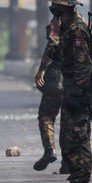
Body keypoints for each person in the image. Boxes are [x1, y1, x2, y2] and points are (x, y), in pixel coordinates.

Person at [44, 0, 92, 183]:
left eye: (54, 2)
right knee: (68, 140)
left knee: (77, 141)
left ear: (62, 4)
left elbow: (84, 64)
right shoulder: (65, 26)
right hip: (72, 91)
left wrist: (77, 94)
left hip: (78, 93)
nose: (51, 6)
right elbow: (64, 57)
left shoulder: (76, 29)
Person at [33, 17, 63, 172]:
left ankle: (50, 149)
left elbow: (52, 45)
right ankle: (71, 162)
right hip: (79, 81)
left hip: (58, 80)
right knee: (72, 123)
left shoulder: (58, 21)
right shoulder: (83, 25)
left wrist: (42, 69)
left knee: (46, 116)